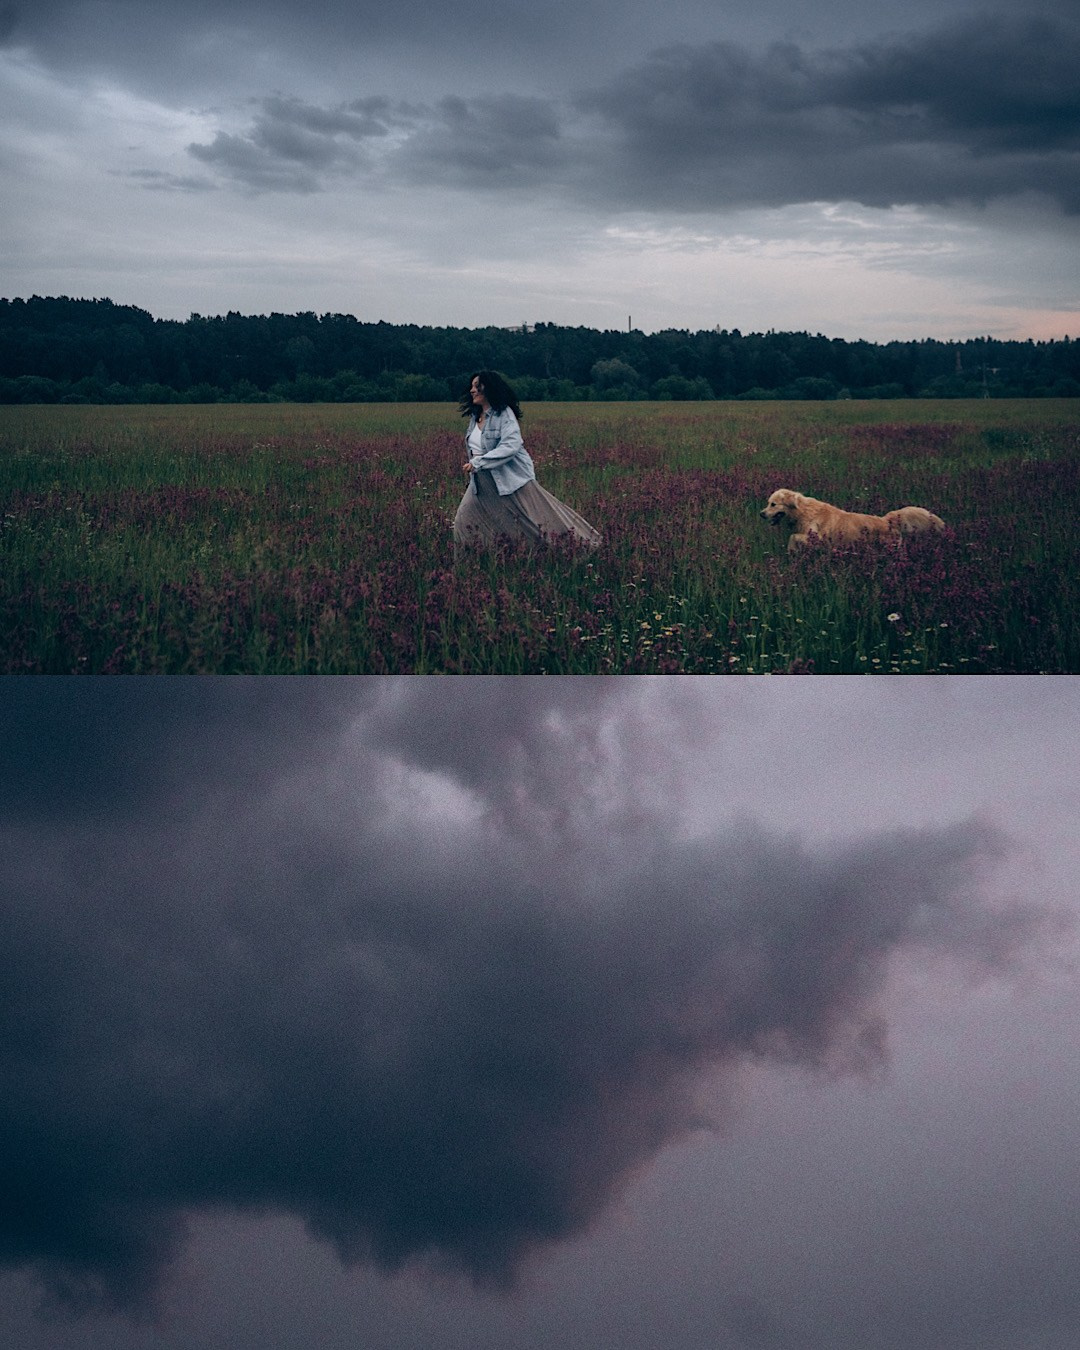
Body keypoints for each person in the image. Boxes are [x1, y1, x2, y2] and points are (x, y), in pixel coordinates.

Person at [452, 371, 601, 551]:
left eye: (477, 386)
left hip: (509, 479)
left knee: (538, 521)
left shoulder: (504, 414)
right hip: (480, 481)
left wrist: (478, 462)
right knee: (463, 520)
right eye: (472, 386)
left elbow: (511, 445)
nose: (472, 390)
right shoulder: (475, 417)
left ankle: (580, 547)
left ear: (489, 388)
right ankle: (478, 557)